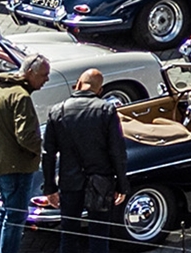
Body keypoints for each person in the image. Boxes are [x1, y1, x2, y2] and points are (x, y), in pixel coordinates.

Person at [42, 69, 128, 253]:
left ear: (78, 84)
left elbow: (48, 154)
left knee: (69, 235)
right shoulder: (106, 110)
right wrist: (122, 184)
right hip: (101, 183)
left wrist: (50, 187)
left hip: (70, 182)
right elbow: (117, 151)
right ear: (100, 90)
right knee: (99, 236)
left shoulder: (57, 111)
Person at [0, 55, 49, 253]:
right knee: (16, 217)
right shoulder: (21, 97)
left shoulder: (0, 89)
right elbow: (26, 136)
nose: (46, 79)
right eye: (43, 75)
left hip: (0, 162)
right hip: (16, 167)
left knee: (7, 213)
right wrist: (43, 149)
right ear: (30, 72)